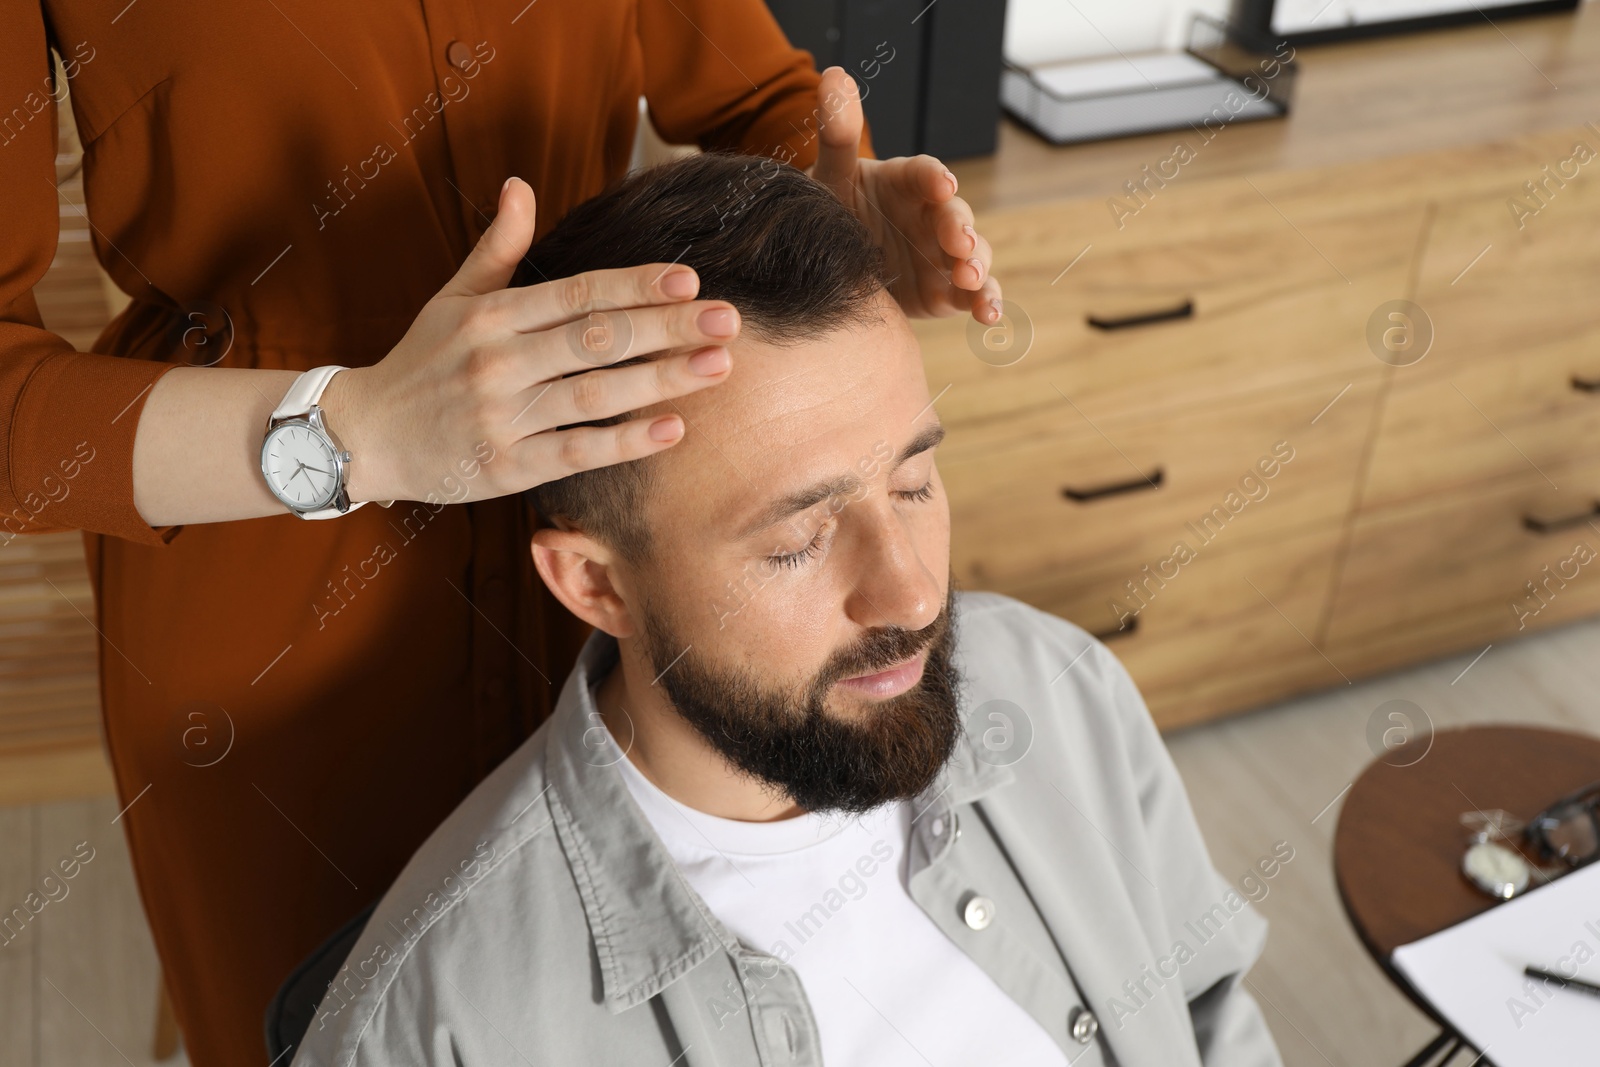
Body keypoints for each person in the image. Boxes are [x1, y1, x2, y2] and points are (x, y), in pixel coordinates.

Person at [1, 7, 1001, 1063]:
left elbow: (757, 98)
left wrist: (821, 207)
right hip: (270, 586)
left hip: (622, 506)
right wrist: (359, 430)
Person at [292, 152, 1284, 1067]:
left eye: (913, 482)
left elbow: (1203, 1003)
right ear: (596, 584)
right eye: (796, 541)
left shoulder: (1057, 685)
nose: (912, 592)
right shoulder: (438, 1020)